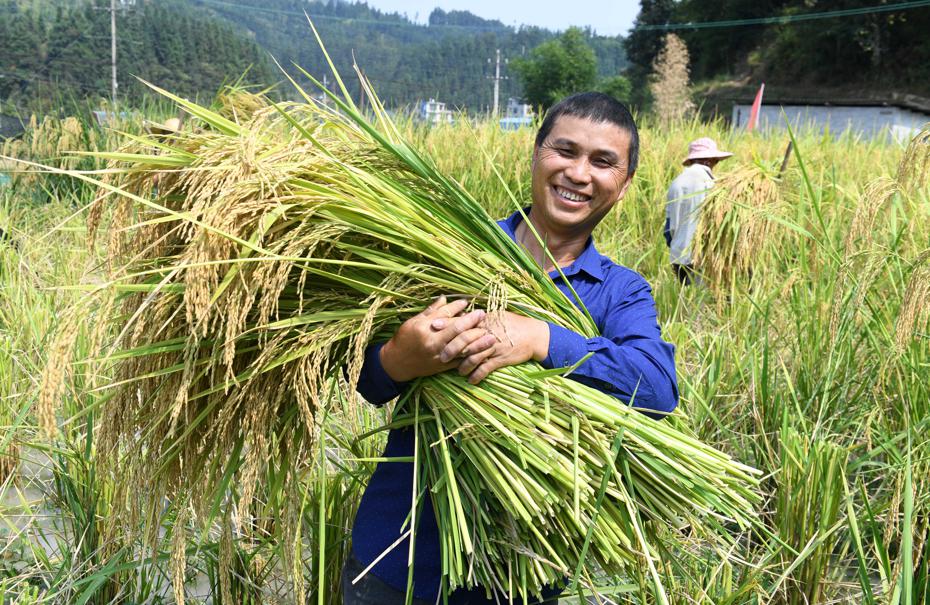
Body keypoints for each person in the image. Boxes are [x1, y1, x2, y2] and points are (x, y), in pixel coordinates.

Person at [343, 92, 679, 605]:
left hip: (518, 573)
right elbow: (358, 378)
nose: (579, 173)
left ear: (624, 183)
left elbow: (657, 388)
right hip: (395, 555)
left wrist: (542, 339)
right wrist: (396, 359)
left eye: (603, 161)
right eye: (564, 151)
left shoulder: (620, 292)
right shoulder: (447, 248)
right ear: (536, 154)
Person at [664, 137, 733, 285]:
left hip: (678, 255)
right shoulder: (713, 185)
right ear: (709, 161)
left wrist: (677, 243)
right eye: (716, 161)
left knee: (683, 300)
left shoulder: (676, 182)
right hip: (701, 255)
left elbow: (668, 228)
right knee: (699, 303)